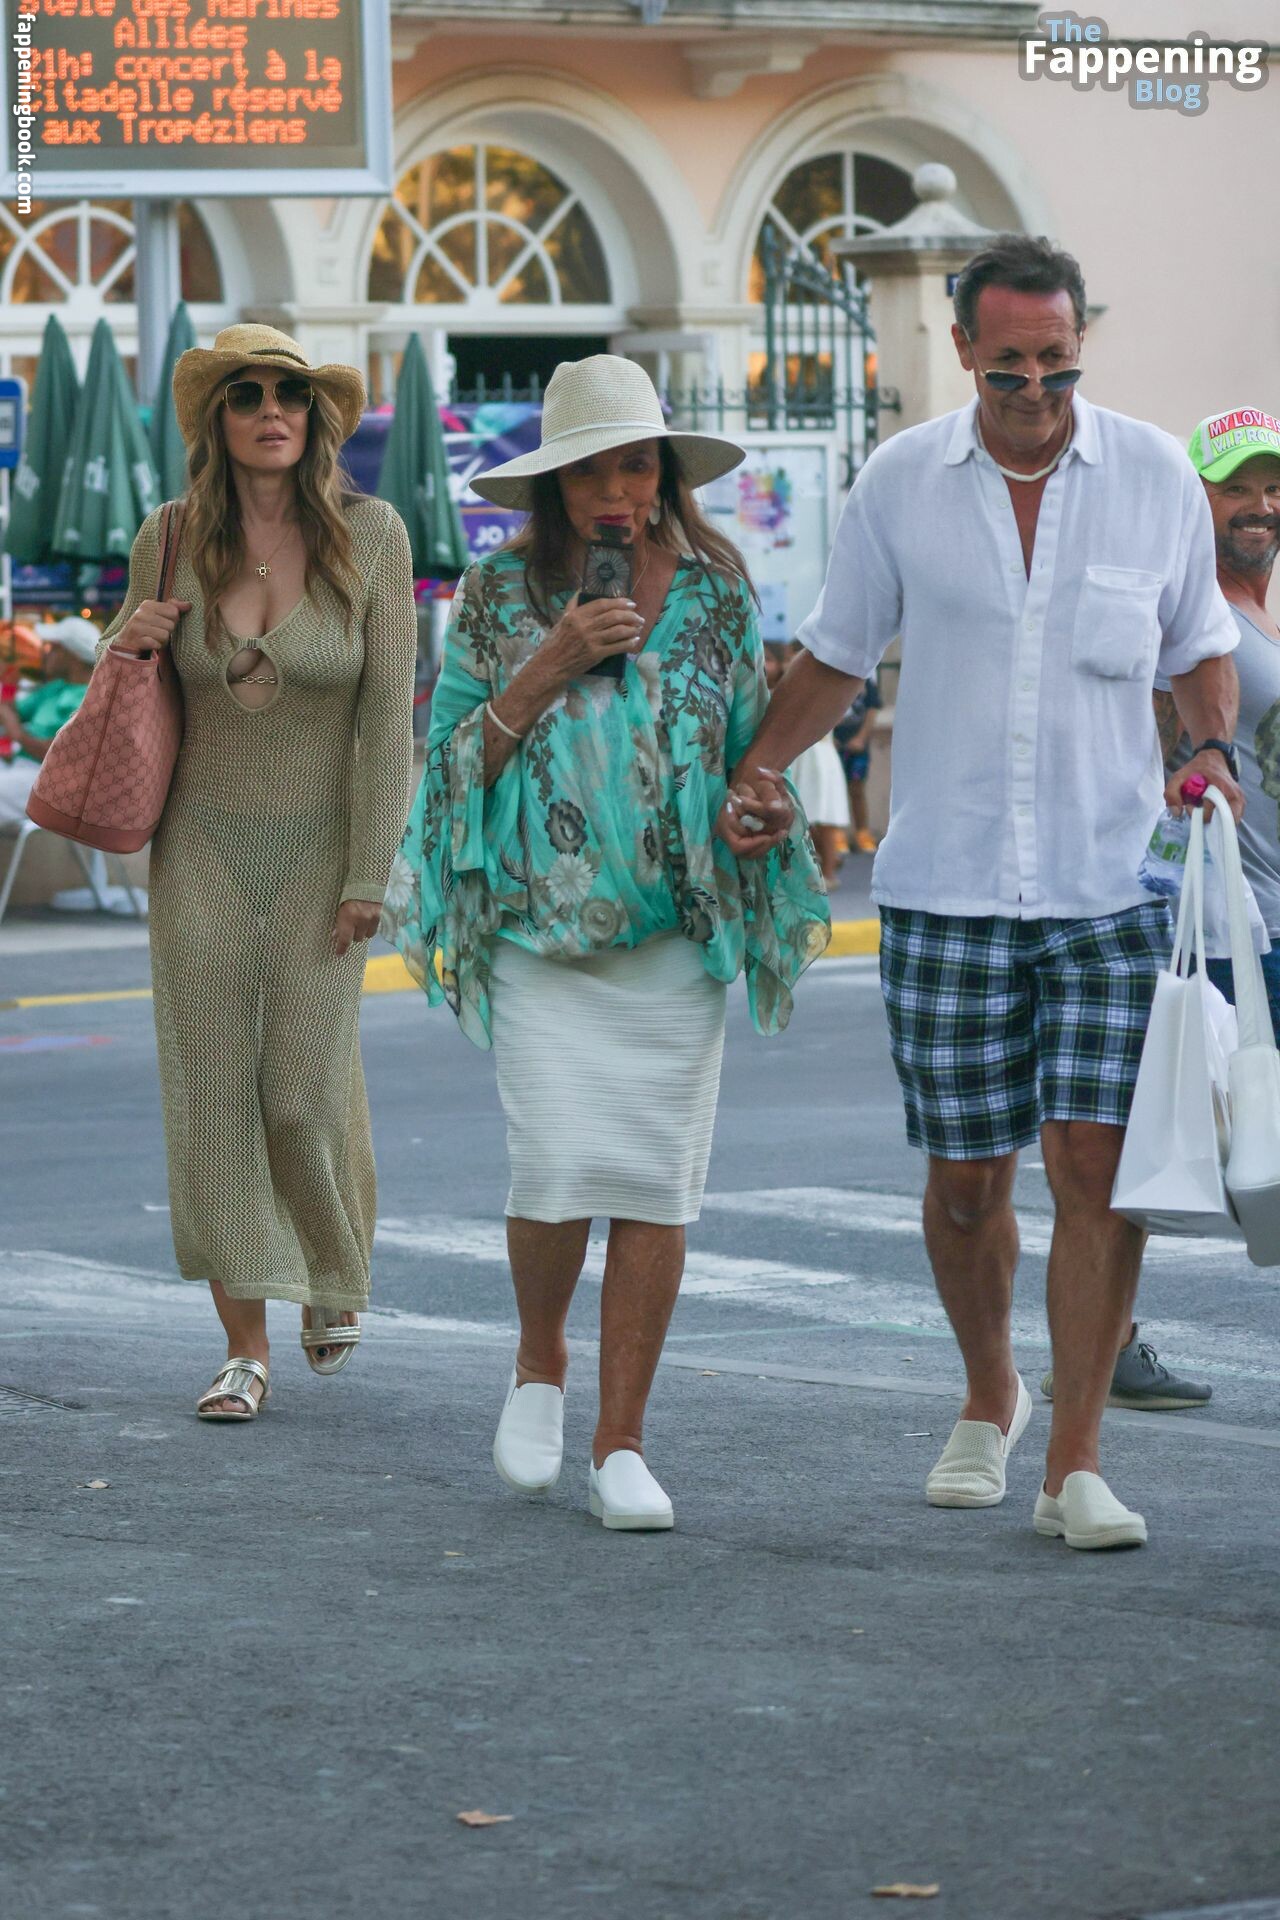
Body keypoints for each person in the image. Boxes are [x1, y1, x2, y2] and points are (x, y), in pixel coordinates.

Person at [719, 235, 1242, 1551]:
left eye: (1057, 366)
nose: (1035, 393)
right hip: (945, 887)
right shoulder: (901, 482)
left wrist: (1214, 752)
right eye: (1008, 368)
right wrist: (759, 770)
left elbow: (1200, 650)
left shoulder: (1153, 476)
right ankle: (990, 1389)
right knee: (964, 1182)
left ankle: (1076, 1460)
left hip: (1109, 885)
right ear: (961, 350)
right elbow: (836, 655)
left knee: (1093, 1168)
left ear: (1080, 344)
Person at [384, 354, 829, 1530]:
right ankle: (540, 1358)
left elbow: (749, 758)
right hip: (539, 936)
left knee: (653, 1187)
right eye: (589, 473)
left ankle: (620, 1442)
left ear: (665, 476)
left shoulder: (717, 597)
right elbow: (450, 773)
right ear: (553, 489)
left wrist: (757, 809)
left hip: (672, 936)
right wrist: (551, 661)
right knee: (552, 1170)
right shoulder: (495, 594)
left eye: (634, 466)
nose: (614, 492)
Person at [102, 324, 416, 1420]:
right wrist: (129, 636)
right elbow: (125, 686)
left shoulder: (374, 538)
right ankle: (245, 1349)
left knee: (298, 1088)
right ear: (218, 419)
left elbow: (387, 722)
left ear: (315, 419)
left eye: (289, 393)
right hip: (200, 847)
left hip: (322, 852)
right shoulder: (170, 536)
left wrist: (370, 872)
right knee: (212, 1092)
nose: (271, 411)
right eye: (247, 394)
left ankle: (332, 1264)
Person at [0, 618, 98, 823]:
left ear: (72, 656)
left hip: (49, 783)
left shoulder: (90, 699)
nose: (46, 652)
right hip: (21, 768)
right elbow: (10, 712)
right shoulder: (55, 688)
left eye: (53, 648)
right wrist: (8, 685)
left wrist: (18, 734)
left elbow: (61, 757)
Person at [784, 644, 852, 884]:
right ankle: (819, 864)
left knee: (823, 813)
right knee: (804, 814)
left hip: (819, 754)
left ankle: (829, 871)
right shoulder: (788, 685)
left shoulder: (827, 683)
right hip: (801, 755)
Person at [834, 676, 882, 852]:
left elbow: (872, 709)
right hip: (835, 744)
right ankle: (837, 834)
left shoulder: (867, 681)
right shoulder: (832, 676)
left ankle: (862, 832)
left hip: (858, 747)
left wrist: (861, 738)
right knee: (834, 789)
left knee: (857, 789)